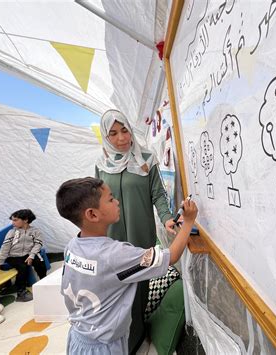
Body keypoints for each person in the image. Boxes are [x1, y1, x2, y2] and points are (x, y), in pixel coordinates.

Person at [56, 177, 197, 355]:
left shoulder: (72, 246)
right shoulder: (114, 256)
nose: (117, 201)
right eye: (110, 198)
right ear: (92, 214)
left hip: (78, 339)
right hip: (105, 348)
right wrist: (189, 222)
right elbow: (171, 257)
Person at [95, 109, 176, 352]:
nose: (121, 138)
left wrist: (166, 218)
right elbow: (95, 200)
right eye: (113, 133)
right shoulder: (101, 163)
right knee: (116, 286)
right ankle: (119, 334)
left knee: (139, 284)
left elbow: (158, 194)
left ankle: (137, 333)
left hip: (140, 235)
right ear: (105, 137)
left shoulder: (146, 160)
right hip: (111, 237)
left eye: (124, 131)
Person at [0, 209, 47, 302]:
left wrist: (31, 255)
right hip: (13, 256)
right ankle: (21, 292)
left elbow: (38, 244)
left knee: (40, 262)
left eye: (15, 220)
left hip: (28, 254)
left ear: (25, 220)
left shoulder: (35, 231)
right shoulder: (12, 232)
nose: (12, 223)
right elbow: (5, 247)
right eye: (12, 220)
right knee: (22, 267)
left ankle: (44, 281)